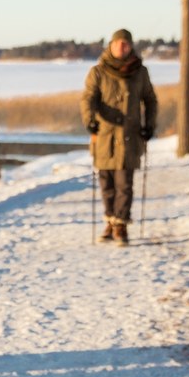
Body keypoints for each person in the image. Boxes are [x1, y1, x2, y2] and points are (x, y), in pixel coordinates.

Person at [80, 28, 158, 246]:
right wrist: (90, 120)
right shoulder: (98, 71)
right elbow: (88, 99)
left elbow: (150, 100)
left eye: (125, 44)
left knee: (125, 183)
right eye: (117, 44)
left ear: (131, 46)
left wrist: (149, 125)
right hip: (104, 136)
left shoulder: (140, 72)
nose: (121, 48)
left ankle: (121, 225)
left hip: (130, 137)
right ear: (111, 46)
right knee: (107, 183)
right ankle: (110, 222)